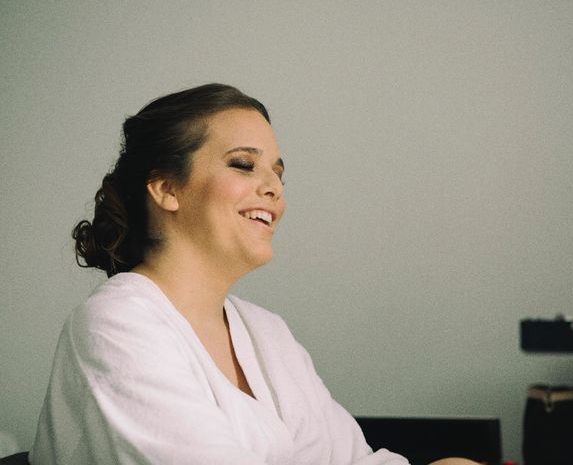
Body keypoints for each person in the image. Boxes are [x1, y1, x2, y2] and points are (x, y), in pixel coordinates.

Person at [30, 83, 478, 465]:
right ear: (167, 188)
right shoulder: (116, 324)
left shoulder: (268, 334)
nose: (274, 188)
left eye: (278, 174)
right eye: (244, 164)